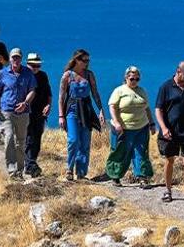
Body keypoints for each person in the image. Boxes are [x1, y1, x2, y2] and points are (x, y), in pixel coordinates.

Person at [155, 61, 184, 206]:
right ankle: (168, 190)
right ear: (178, 71)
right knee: (170, 160)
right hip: (170, 131)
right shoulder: (166, 87)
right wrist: (163, 127)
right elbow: (158, 109)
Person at [57, 49, 105, 181]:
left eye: (88, 60)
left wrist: (101, 110)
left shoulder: (89, 75)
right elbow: (61, 97)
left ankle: (81, 173)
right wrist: (61, 116)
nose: (87, 63)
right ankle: (69, 168)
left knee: (85, 142)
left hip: (86, 110)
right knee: (73, 140)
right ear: (76, 60)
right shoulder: (67, 76)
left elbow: (95, 93)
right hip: (72, 109)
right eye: (84, 60)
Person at [105, 66, 156, 186]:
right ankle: (115, 176)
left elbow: (147, 108)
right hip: (123, 128)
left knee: (141, 151)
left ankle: (142, 177)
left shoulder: (142, 91)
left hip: (141, 127)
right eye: (132, 78)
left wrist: (152, 123)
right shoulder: (119, 91)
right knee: (120, 151)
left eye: (137, 79)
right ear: (126, 77)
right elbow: (112, 107)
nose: (135, 81)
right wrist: (117, 122)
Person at [0, 48, 37, 179]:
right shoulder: (3, 73)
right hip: (7, 111)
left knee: (21, 142)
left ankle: (20, 170)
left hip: (23, 113)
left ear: (21, 59)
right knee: (9, 138)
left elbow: (32, 90)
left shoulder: (28, 73)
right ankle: (12, 171)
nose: (15, 60)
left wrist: (25, 103)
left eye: (18, 57)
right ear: (10, 59)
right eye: (13, 57)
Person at [23, 53, 52, 178]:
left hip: (40, 113)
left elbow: (49, 93)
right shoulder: (23, 75)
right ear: (27, 64)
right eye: (32, 65)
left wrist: (48, 105)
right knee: (28, 139)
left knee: (37, 139)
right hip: (26, 112)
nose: (35, 67)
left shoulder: (43, 76)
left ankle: (31, 162)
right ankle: (30, 165)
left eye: (37, 65)